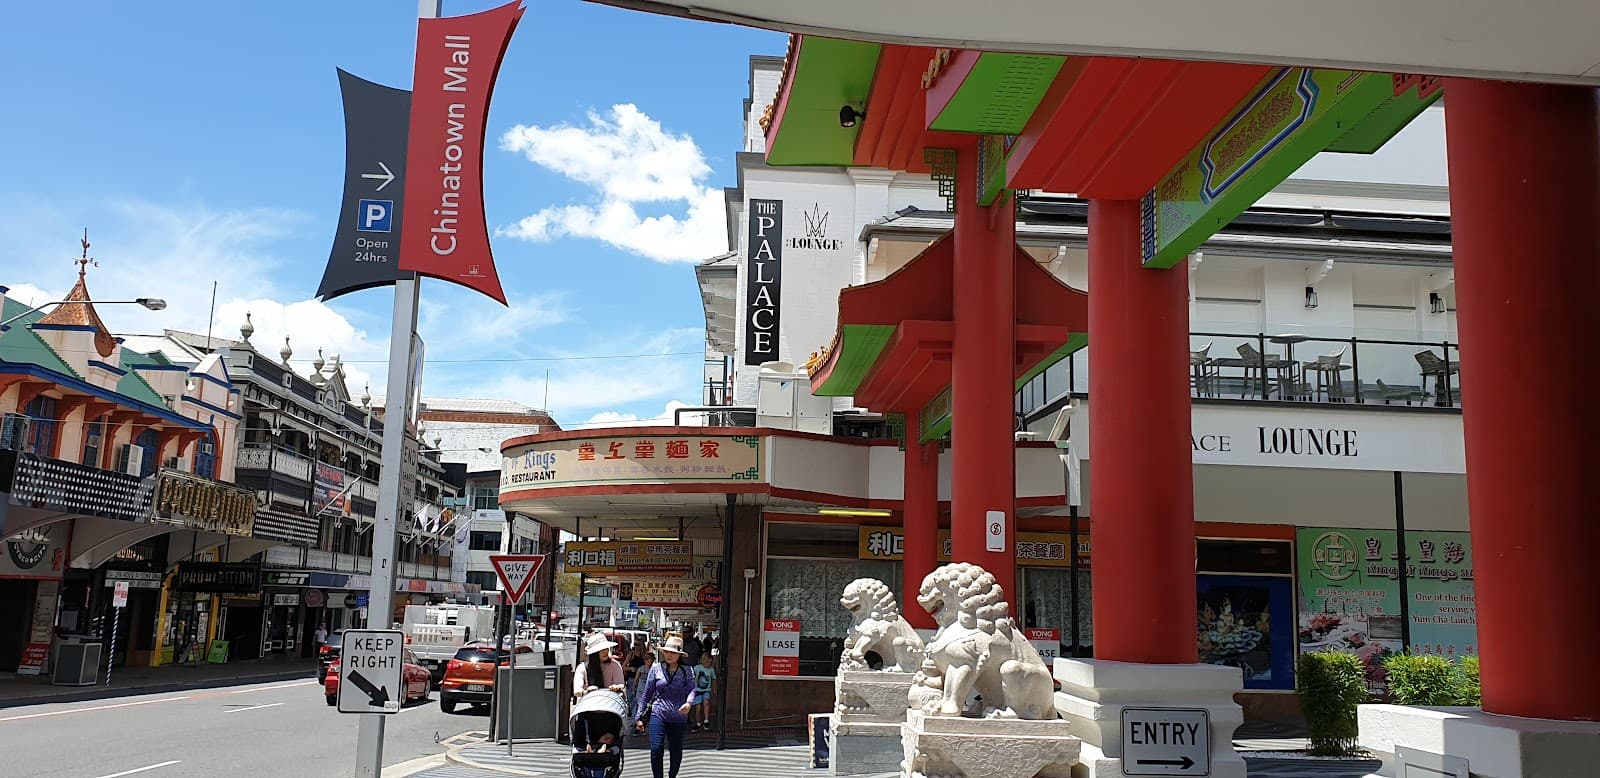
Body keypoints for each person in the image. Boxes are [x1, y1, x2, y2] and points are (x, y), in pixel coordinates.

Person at [633, 635, 695, 778]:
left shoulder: (687, 671)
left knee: (676, 751)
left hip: (678, 717)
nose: (669, 655)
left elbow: (692, 689)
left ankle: (672, 774)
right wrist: (639, 716)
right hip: (658, 713)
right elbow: (646, 694)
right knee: (656, 748)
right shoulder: (656, 669)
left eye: (672, 652)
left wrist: (689, 703)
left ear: (679, 655)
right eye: (666, 652)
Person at [573, 632, 626, 700]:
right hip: (587, 704)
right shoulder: (582, 668)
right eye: (601, 650)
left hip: (609, 704)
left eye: (606, 648)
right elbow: (577, 690)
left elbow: (621, 684)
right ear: (594, 653)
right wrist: (586, 692)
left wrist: (617, 687)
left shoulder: (615, 665)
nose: (605, 651)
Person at [691, 651, 717, 731]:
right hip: (697, 690)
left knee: (706, 703)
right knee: (698, 707)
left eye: (711, 662)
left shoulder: (711, 670)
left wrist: (715, 689)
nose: (709, 664)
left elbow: (714, 680)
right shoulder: (697, 668)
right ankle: (698, 722)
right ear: (703, 661)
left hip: (706, 689)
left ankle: (706, 720)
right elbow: (691, 676)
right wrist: (693, 680)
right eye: (708, 662)